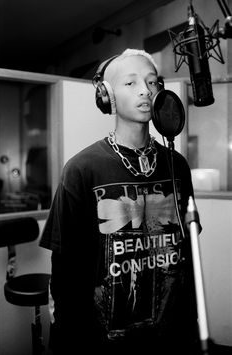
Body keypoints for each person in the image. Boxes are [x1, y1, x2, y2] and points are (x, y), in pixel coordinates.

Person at [40, 48, 201, 354]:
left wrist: (190, 323)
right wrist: (67, 338)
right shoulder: (81, 169)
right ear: (107, 96)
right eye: (130, 83)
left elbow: (187, 252)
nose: (145, 90)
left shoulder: (176, 165)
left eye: (152, 82)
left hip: (170, 336)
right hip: (102, 341)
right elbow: (65, 270)